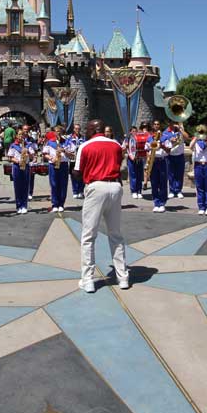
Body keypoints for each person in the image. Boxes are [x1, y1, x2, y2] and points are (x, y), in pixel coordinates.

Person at [73, 119, 128, 293]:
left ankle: (88, 279)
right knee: (116, 234)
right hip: (115, 187)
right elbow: (119, 166)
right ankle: (123, 277)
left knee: (88, 236)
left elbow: (77, 172)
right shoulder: (116, 145)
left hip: (96, 187)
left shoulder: (86, 146)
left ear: (91, 130)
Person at [190, 125, 207, 215]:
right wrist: (196, 138)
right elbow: (190, 147)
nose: (201, 134)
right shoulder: (196, 141)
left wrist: (206, 141)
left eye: (202, 132)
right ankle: (201, 206)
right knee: (199, 186)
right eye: (200, 132)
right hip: (198, 165)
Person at [44, 128, 69, 212]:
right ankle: (55, 204)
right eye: (56, 131)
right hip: (53, 164)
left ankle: (61, 204)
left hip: (63, 164)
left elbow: (72, 154)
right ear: (54, 132)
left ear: (62, 132)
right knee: (54, 184)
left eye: (59, 131)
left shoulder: (66, 141)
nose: (58, 133)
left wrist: (64, 150)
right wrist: (51, 158)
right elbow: (45, 154)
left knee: (63, 184)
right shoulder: (50, 142)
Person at [146, 120, 169, 212]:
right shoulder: (150, 138)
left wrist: (162, 146)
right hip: (153, 161)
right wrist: (148, 160)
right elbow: (147, 150)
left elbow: (169, 151)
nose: (156, 126)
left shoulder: (165, 138)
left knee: (163, 183)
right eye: (155, 124)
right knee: (154, 183)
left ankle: (162, 203)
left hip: (162, 161)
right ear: (152, 126)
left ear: (160, 126)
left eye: (158, 124)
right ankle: (156, 203)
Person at [7, 131, 31, 214]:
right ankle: (18, 205)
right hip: (17, 166)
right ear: (16, 136)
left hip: (26, 166)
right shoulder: (13, 145)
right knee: (17, 186)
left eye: (22, 135)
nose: (21, 136)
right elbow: (10, 157)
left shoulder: (28, 144)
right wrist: (17, 161)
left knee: (25, 186)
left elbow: (33, 155)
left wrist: (28, 154)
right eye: (19, 134)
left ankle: (24, 205)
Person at [163, 123, 188, 198]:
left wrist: (180, 129)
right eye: (172, 122)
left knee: (179, 174)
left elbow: (187, 137)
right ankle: (172, 190)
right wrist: (170, 140)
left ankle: (179, 190)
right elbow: (163, 142)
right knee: (171, 174)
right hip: (170, 155)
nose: (174, 124)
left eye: (175, 122)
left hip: (180, 155)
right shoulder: (165, 132)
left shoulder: (180, 131)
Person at [65, 124, 86, 199]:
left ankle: (81, 191)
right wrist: (69, 152)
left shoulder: (83, 138)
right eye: (76, 129)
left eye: (79, 129)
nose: (78, 130)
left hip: (81, 159)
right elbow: (65, 147)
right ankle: (75, 191)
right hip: (73, 159)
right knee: (73, 175)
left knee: (82, 175)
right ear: (74, 129)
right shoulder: (69, 138)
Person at [125, 127, 145, 199]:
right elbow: (125, 148)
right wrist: (130, 156)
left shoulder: (140, 138)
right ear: (130, 132)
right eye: (133, 131)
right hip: (131, 159)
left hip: (139, 159)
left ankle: (139, 191)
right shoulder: (128, 139)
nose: (134, 132)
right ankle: (134, 191)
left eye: (135, 131)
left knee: (139, 175)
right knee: (133, 175)